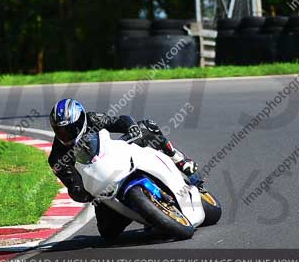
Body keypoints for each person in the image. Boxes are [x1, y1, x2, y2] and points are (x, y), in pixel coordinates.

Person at [47, 98, 199, 239]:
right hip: (103, 187)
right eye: (60, 131)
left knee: (147, 127)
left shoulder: (93, 119)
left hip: (117, 158)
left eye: (69, 129)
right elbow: (74, 185)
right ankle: (147, 213)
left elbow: (120, 121)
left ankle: (178, 159)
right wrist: (80, 192)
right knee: (108, 233)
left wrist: (131, 126)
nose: (65, 135)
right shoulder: (57, 158)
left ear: (81, 120)